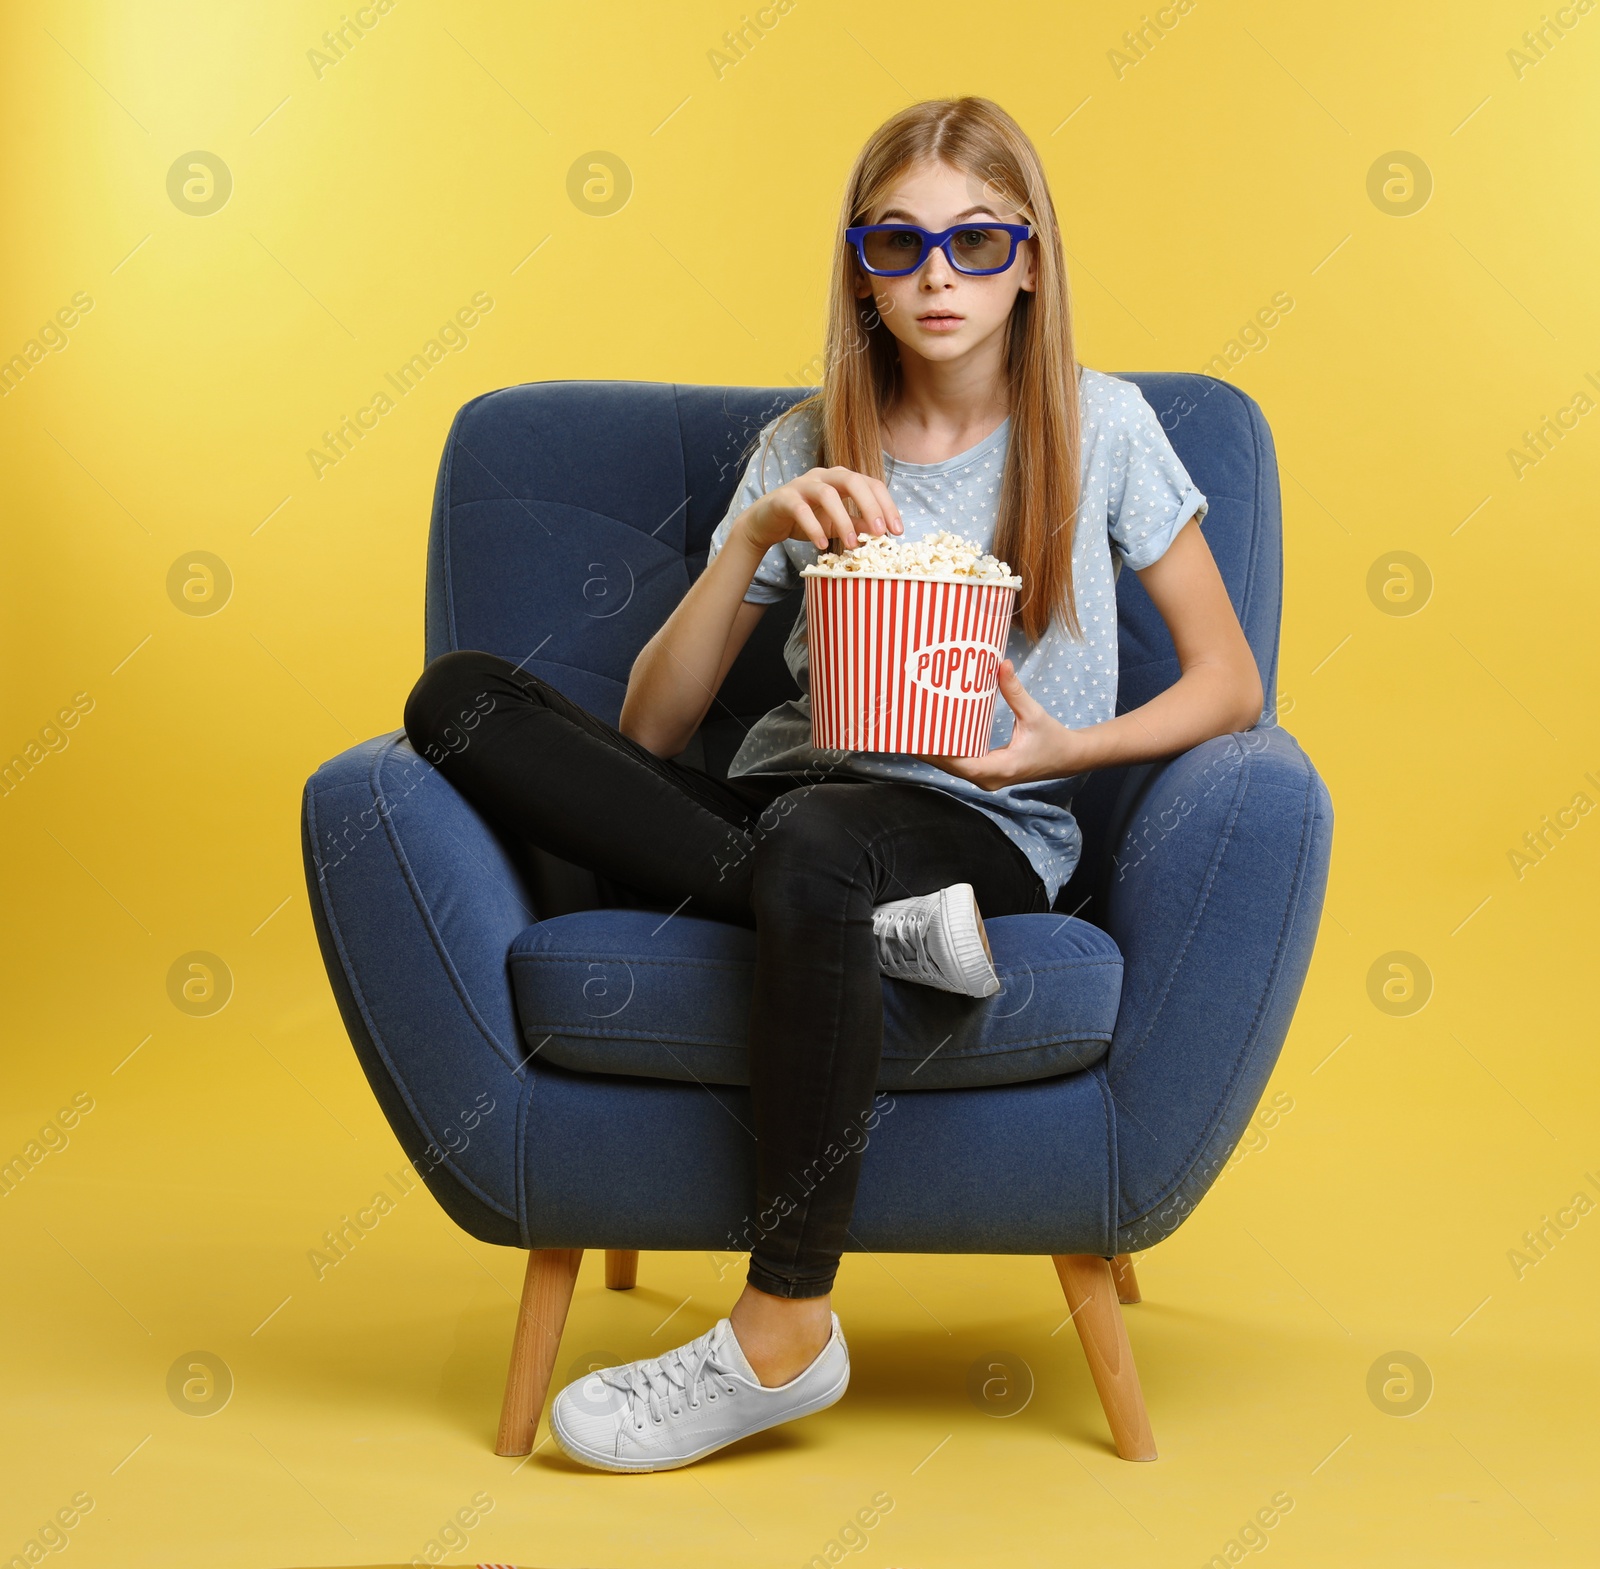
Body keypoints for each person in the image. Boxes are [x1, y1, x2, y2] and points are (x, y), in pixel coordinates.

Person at [402, 95, 1262, 1474]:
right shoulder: (809, 445)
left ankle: (784, 1322)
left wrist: (1058, 752)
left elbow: (1229, 681)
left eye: (977, 243)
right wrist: (753, 535)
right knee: (455, 701)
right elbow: (655, 722)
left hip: (984, 815)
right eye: (901, 242)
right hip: (786, 804)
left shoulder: (1104, 429)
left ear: (1030, 260)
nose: (938, 276)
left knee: (819, 849)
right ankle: (862, 938)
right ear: (860, 263)